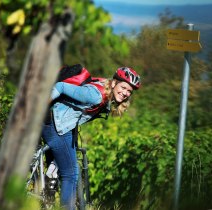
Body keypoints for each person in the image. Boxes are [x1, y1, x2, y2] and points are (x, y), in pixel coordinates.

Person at [41, 66, 141, 209]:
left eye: (129, 91)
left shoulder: (106, 94)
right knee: (71, 174)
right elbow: (61, 87)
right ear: (114, 83)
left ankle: (47, 190)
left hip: (61, 124)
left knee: (65, 167)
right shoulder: (96, 95)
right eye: (123, 87)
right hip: (56, 124)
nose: (125, 93)